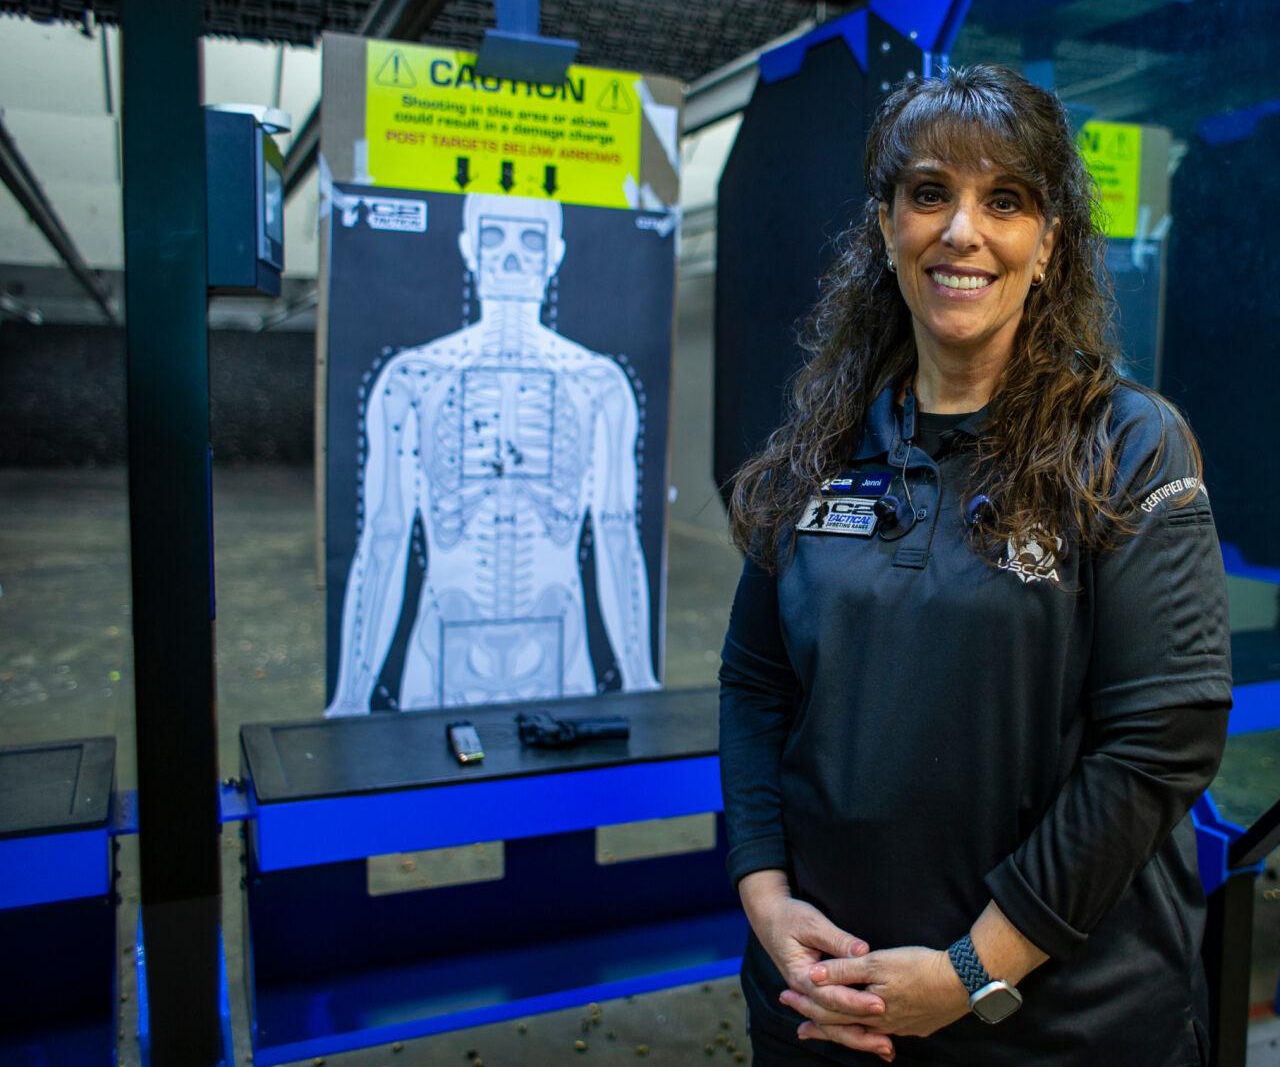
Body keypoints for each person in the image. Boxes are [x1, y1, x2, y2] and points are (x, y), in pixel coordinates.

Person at [718, 64, 1232, 1066]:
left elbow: (1157, 742)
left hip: (1055, 1025)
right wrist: (765, 897)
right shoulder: (820, 448)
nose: (961, 231)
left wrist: (970, 971)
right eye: (928, 194)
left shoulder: (1127, 446)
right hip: (827, 1006)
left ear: (1047, 244)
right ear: (885, 227)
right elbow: (754, 682)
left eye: (1004, 200)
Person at [327, 192, 656, 715]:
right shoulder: (413, 380)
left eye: (529, 241)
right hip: (443, 644)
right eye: (493, 236)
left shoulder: (598, 385)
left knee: (560, 792)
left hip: (558, 646)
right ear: (468, 248)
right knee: (433, 791)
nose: (510, 258)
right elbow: (384, 539)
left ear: (554, 254)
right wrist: (350, 698)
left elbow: (617, 538)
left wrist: (641, 678)